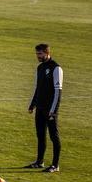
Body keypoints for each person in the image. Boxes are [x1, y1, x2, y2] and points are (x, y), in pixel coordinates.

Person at [26, 43, 62, 173]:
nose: (38, 56)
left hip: (50, 110)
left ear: (47, 53)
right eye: (37, 54)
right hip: (40, 108)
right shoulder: (40, 67)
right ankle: (39, 162)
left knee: (54, 136)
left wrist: (53, 110)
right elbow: (38, 88)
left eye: (40, 54)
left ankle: (55, 165)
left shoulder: (56, 68)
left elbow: (58, 92)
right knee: (40, 135)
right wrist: (32, 105)